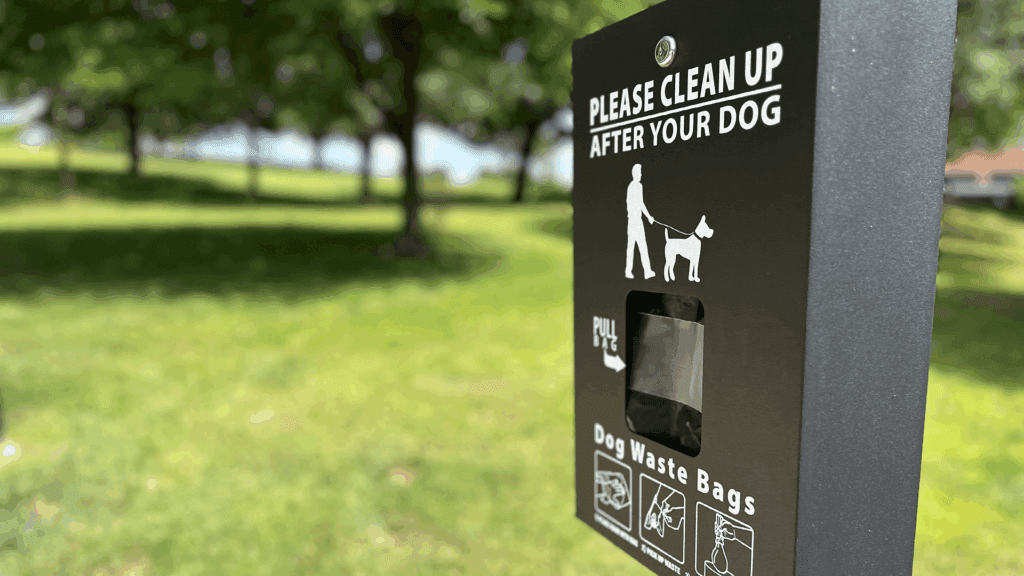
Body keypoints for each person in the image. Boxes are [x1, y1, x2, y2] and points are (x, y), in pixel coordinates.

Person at [626, 163, 656, 279]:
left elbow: (640, 203)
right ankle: (642, 271)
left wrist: (648, 217)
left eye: (640, 172)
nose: (640, 175)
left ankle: (643, 271)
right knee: (638, 246)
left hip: (635, 220)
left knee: (635, 246)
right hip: (635, 221)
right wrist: (648, 217)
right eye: (639, 172)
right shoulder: (636, 186)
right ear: (634, 173)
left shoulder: (635, 186)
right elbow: (640, 203)